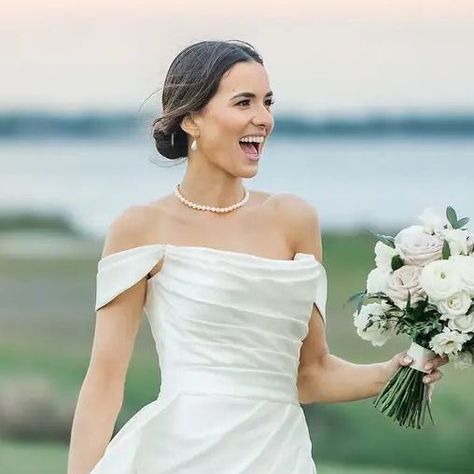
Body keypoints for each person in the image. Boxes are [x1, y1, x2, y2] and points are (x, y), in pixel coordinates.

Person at [67, 39, 447, 474]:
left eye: (267, 102)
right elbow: (104, 382)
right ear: (192, 119)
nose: (262, 119)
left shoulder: (294, 220)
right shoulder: (140, 228)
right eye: (243, 102)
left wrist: (396, 370)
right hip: (180, 454)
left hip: (277, 455)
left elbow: (312, 373)